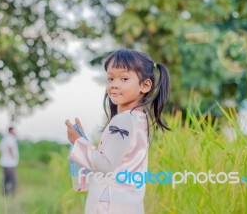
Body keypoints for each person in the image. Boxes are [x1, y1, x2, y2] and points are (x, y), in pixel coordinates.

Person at [65, 49, 171, 214]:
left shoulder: (125, 120)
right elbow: (117, 162)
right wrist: (83, 140)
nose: (114, 84)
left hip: (109, 203)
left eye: (124, 78)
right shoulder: (139, 119)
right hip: (127, 203)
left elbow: (105, 165)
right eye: (110, 78)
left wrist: (78, 141)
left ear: (145, 85)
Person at [0, 126, 19, 196]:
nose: (15, 132)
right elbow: (10, 148)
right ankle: (12, 194)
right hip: (10, 163)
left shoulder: (5, 139)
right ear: (11, 131)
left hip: (4, 162)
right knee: (13, 180)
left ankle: (4, 194)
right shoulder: (10, 138)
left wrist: (5, 154)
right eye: (14, 131)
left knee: (6, 179)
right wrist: (13, 156)